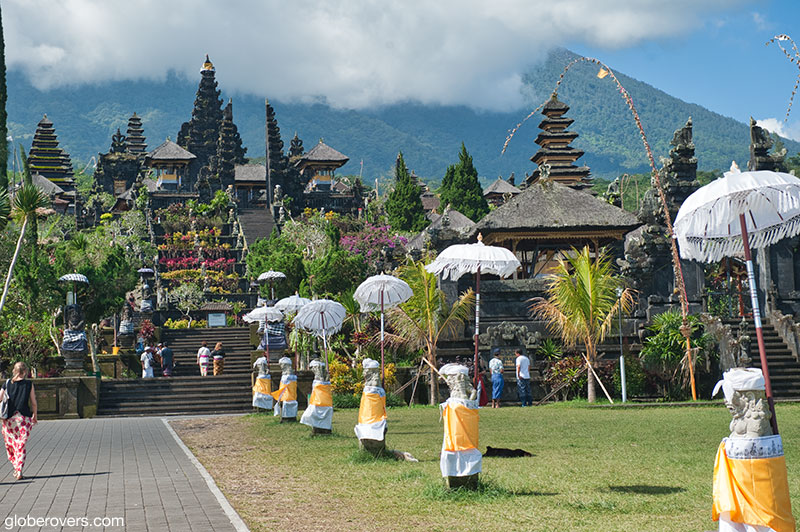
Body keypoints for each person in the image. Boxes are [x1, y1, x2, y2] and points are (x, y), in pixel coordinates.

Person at [0, 362, 38, 480]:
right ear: (25, 371)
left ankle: (16, 467)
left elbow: (0, 398)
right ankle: (19, 469)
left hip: (9, 419)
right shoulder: (28, 384)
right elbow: (33, 402)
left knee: (11, 444)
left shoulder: (7, 383)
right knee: (20, 445)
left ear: (14, 371)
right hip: (23, 418)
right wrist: (35, 415)